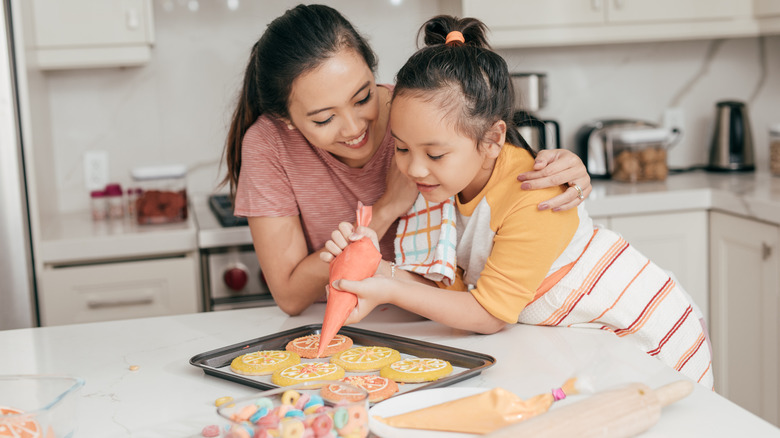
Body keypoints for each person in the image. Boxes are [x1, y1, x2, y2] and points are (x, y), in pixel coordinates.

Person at [322, 15, 713, 387]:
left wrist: (388, 285)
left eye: (434, 154)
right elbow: (456, 298)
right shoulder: (445, 186)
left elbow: (488, 315)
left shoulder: (534, 194)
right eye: (402, 148)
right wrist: (376, 266)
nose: (414, 168)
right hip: (585, 341)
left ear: (492, 139)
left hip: (649, 336)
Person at [223, 4, 592, 317]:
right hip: (352, 321)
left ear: (374, 73)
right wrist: (384, 210)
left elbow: (496, 166)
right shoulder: (268, 146)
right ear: (286, 119)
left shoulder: (415, 110)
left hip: (445, 319)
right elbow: (290, 297)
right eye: (324, 119)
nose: (354, 128)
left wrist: (565, 172)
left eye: (363, 96)